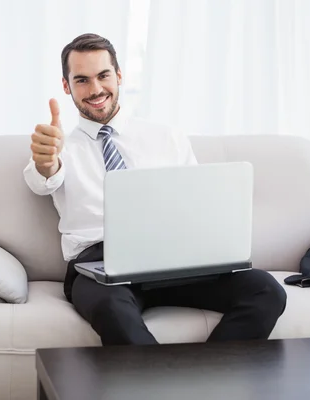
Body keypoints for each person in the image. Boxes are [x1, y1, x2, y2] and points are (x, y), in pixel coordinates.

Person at [23, 33, 287, 346]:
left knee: (266, 290)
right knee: (111, 309)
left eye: (103, 76)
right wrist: (45, 161)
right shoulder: (59, 148)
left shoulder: (166, 137)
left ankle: (210, 381)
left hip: (171, 255)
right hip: (99, 264)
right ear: (66, 86)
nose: (95, 90)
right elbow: (44, 178)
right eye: (81, 80)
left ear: (119, 76)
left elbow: (197, 202)